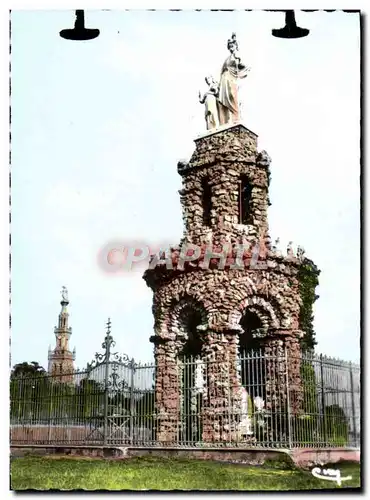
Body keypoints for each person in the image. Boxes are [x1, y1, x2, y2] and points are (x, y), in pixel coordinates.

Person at [218, 34, 250, 125]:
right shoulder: (227, 58)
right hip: (224, 79)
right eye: (230, 46)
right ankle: (227, 118)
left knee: (232, 96)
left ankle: (236, 117)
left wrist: (239, 60)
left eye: (232, 46)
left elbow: (243, 65)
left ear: (235, 46)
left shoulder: (236, 55)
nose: (231, 47)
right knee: (223, 101)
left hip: (231, 78)